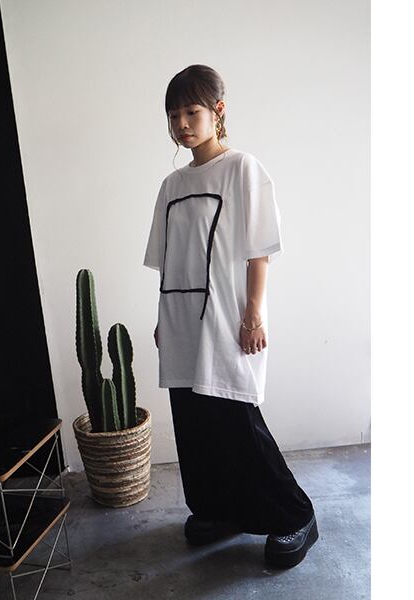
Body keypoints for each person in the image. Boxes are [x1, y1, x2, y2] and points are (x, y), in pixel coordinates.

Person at [143, 65, 318, 569]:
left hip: (226, 319)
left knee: (237, 422)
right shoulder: (171, 185)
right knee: (195, 424)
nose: (181, 124)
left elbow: (259, 251)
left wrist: (254, 314)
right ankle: (221, 510)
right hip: (181, 321)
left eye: (191, 111)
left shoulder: (243, 169)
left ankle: (296, 516)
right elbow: (170, 258)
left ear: (217, 111)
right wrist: (163, 317)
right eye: (173, 115)